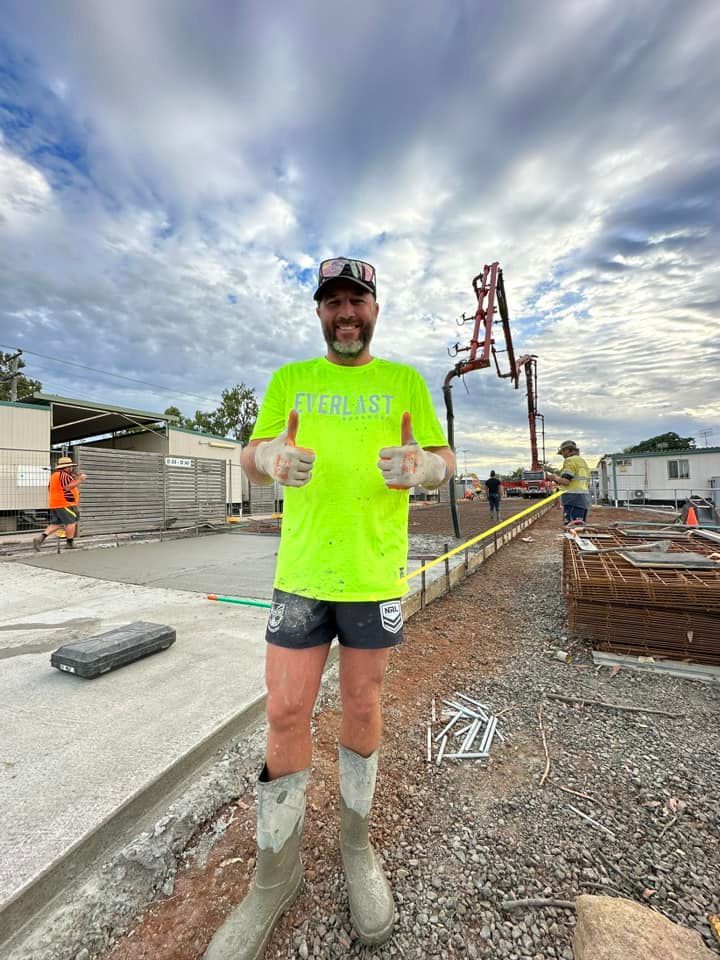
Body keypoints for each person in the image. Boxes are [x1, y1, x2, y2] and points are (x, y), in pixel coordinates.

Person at [204, 257, 455, 960]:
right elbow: (253, 454)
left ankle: (356, 848)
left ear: (374, 309)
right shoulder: (291, 381)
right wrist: (269, 462)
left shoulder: (402, 382)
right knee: (284, 711)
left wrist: (427, 468)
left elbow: (443, 457)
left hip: (373, 576)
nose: (345, 312)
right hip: (302, 576)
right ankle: (273, 876)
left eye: (357, 300)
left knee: (363, 708)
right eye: (333, 303)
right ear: (319, 314)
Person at [33, 455, 87, 551]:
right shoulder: (64, 475)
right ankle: (69, 543)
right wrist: (80, 480)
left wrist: (75, 477)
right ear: (65, 467)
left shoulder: (55, 475)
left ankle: (40, 539)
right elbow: (67, 487)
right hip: (65, 503)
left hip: (55, 503)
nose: (71, 468)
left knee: (57, 523)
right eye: (70, 466)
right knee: (72, 522)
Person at [545, 440, 591, 525]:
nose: (562, 455)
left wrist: (554, 477)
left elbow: (566, 481)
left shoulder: (570, 461)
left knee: (571, 527)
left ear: (567, 450)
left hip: (572, 499)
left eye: (562, 452)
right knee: (579, 527)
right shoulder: (582, 462)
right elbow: (585, 483)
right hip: (583, 499)